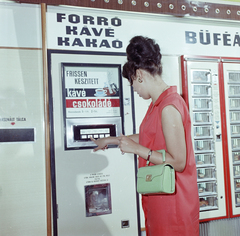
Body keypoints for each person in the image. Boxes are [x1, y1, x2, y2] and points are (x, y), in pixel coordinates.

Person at [91, 36, 199, 235]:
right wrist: (113, 140)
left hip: (174, 206)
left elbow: (179, 162)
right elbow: (150, 136)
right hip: (160, 199)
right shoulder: (157, 105)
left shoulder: (169, 107)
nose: (134, 88)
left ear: (139, 74)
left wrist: (139, 151)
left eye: (132, 82)